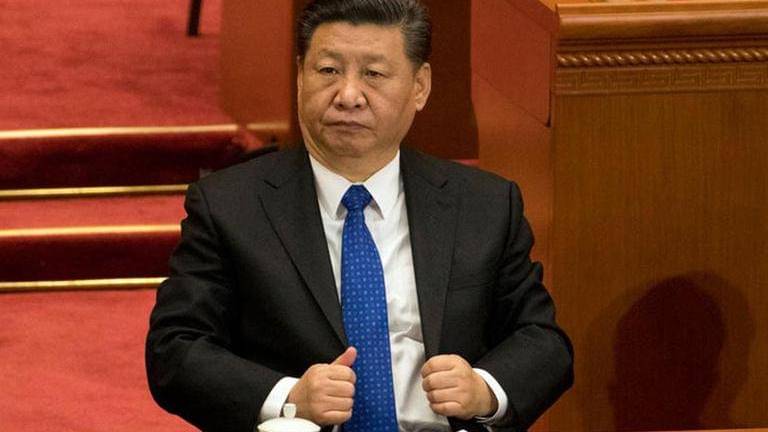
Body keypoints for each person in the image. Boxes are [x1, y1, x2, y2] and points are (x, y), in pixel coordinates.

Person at [145, 1, 573, 431]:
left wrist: (484, 390)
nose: (348, 96)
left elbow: (543, 340)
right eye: (328, 70)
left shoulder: (483, 204)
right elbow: (175, 348)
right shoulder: (230, 205)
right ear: (300, 77)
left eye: (374, 74)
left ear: (420, 86)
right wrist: (288, 398)